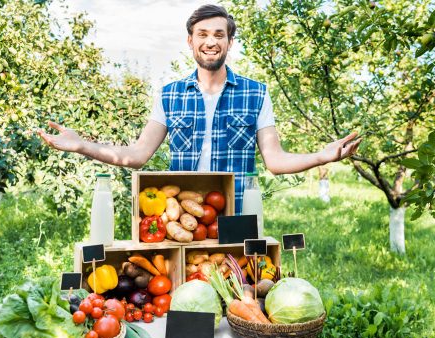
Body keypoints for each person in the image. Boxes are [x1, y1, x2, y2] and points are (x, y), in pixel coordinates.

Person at [38, 4, 361, 214]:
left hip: (238, 212)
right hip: (183, 210)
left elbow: (275, 161)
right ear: (190, 41)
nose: (211, 41)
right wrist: (81, 145)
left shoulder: (256, 93)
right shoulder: (169, 94)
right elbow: (136, 155)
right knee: (186, 297)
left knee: (237, 297)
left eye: (219, 35)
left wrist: (323, 156)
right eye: (202, 34)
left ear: (230, 42)